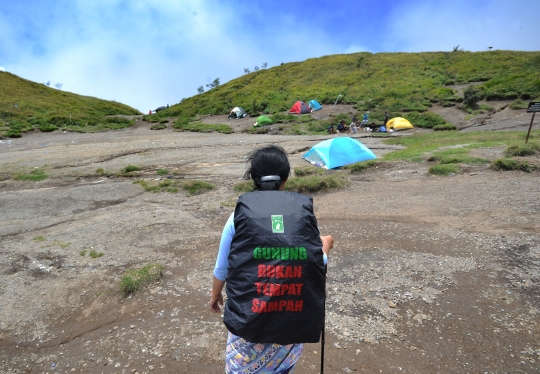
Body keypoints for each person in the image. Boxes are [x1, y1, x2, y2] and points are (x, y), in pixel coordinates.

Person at [210, 145, 334, 374]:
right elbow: (317, 260)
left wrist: (216, 294)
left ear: (254, 179)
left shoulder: (238, 215)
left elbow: (222, 267)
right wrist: (326, 242)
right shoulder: (303, 215)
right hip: (290, 320)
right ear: (286, 178)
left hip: (249, 322)